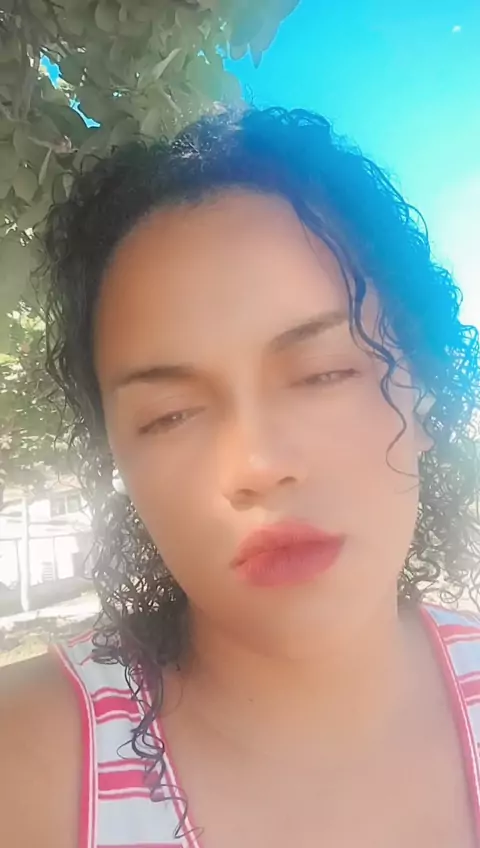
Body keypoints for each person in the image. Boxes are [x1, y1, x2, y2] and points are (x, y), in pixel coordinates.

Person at [1, 106, 480, 848]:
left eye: (321, 374)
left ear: (423, 394)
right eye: (169, 416)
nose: (255, 465)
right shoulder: (25, 772)